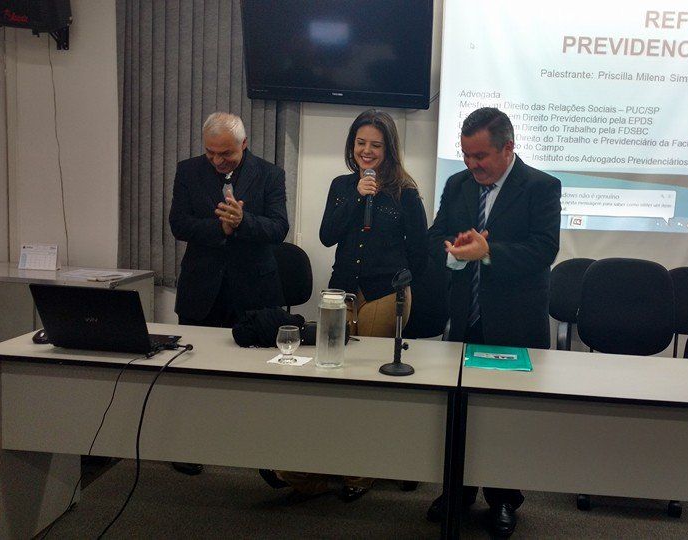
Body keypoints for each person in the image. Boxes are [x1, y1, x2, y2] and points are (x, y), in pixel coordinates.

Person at [268, 109, 429, 503]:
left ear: (389, 149)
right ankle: (318, 465)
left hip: (385, 293)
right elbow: (327, 235)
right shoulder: (342, 186)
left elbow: (420, 254)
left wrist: (400, 285)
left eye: (376, 145)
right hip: (340, 292)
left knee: (365, 381)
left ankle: (361, 468)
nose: (366, 151)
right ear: (352, 145)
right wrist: (357, 197)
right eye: (360, 143)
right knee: (330, 377)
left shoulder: (405, 193)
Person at [426, 107, 561, 537]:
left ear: (508, 148)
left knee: (506, 418)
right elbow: (436, 235)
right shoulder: (457, 184)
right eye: (466, 155)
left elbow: (543, 250)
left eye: (480, 156)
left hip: (515, 323)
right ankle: (458, 491)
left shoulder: (541, 187)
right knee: (458, 411)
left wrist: (488, 252)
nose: (472, 164)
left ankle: (503, 499)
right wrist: (455, 251)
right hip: (463, 318)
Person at [168, 111, 289, 474]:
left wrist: (243, 221)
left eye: (226, 154)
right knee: (194, 375)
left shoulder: (269, 174)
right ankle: (189, 446)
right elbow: (178, 224)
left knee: (255, 377)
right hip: (201, 289)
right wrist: (219, 228)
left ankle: (260, 451)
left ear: (244, 144)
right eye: (211, 153)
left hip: (254, 291)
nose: (218, 161)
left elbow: (279, 228)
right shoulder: (188, 171)